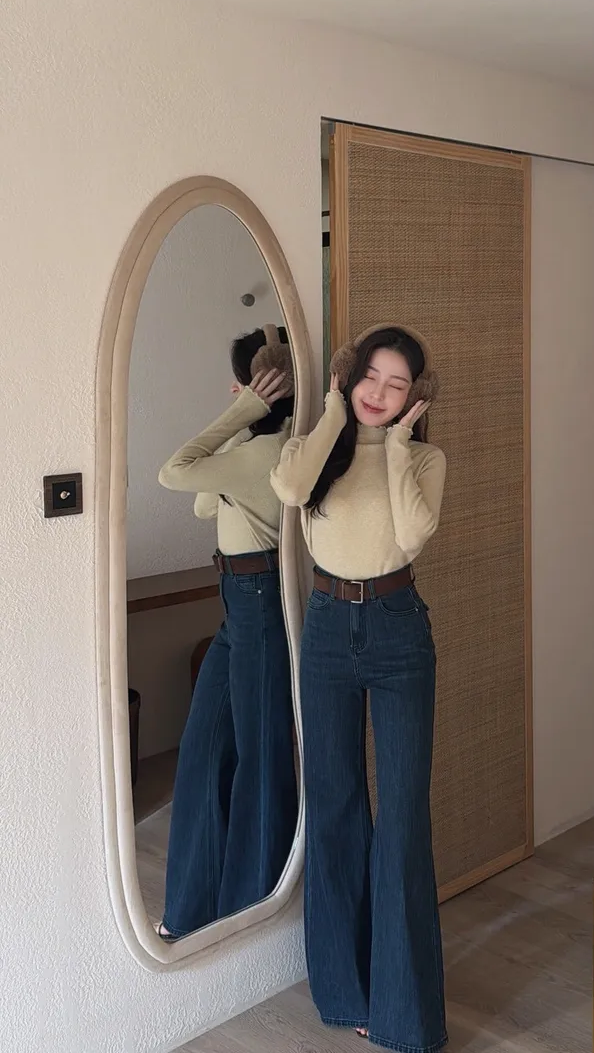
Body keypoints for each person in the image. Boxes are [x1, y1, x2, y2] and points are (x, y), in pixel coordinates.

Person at [271, 324, 448, 1053]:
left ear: (414, 398)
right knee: (336, 804)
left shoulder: (424, 458)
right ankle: (345, 993)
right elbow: (289, 490)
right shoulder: (318, 446)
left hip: (397, 630)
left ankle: (405, 1016)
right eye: (370, 376)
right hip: (325, 628)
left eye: (396, 384)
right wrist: (333, 411)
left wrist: (398, 445)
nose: (380, 392)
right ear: (350, 376)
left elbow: (411, 536)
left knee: (401, 817)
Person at [155, 325, 298, 938]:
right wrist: (244, 422)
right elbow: (202, 503)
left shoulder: (269, 453)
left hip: (259, 603)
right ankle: (190, 910)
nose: (234, 392)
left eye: (240, 384)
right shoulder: (254, 451)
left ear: (260, 386)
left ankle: (251, 911)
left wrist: (240, 413)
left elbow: (173, 473)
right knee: (205, 749)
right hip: (239, 607)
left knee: (260, 760)